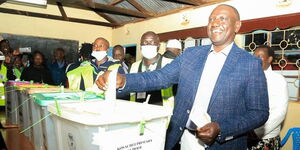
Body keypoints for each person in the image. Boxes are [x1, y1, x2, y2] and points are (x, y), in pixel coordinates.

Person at [96, 4, 269, 150]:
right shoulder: (191, 55)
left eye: (222, 18)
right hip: (183, 139)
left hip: (222, 144)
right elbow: (160, 77)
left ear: (237, 26)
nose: (215, 23)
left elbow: (259, 113)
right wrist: (124, 80)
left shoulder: (249, 64)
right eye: (211, 19)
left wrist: (221, 128)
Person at [248, 45, 288, 150]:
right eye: (254, 56)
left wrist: (256, 132)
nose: (255, 59)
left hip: (267, 138)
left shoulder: (278, 80)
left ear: (269, 59)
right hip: (246, 135)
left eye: (259, 56)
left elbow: (280, 113)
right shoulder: (248, 77)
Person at [129, 31, 175, 109]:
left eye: (152, 42)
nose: (148, 45)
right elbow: (131, 92)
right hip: (138, 111)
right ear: (140, 47)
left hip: (163, 112)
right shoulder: (134, 66)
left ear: (158, 46)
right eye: (145, 42)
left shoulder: (169, 63)